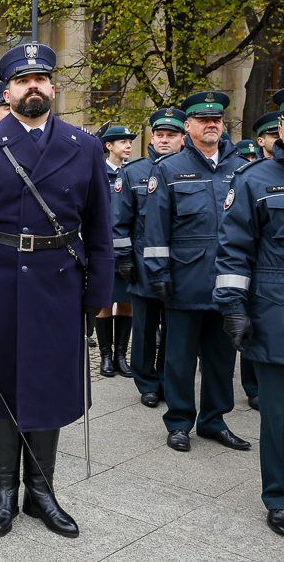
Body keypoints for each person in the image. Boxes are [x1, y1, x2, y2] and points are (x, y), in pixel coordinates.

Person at [0, 43, 113, 539]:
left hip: (59, 281)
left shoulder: (83, 145)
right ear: (7, 91)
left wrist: (96, 295)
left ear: (52, 88)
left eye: (40, 79)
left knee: (50, 386)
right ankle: (3, 494)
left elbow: (101, 229)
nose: (32, 87)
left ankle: (42, 493)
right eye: (22, 80)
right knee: (1, 390)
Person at [143, 91, 250, 453]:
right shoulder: (168, 169)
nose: (211, 125)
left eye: (216, 120)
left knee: (222, 359)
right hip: (185, 281)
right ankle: (179, 422)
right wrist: (158, 272)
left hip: (228, 283)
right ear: (188, 126)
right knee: (180, 359)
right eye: (203, 120)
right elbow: (156, 228)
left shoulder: (241, 169)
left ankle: (213, 421)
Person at [214, 120, 284, 536]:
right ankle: (279, 497)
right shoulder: (255, 179)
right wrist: (234, 306)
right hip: (277, 311)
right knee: (278, 415)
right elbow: (235, 249)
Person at [112, 109, 185, 407]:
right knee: (144, 326)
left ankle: (169, 379)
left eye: (171, 135)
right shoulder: (133, 172)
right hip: (143, 261)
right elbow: (119, 221)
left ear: (183, 137)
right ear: (152, 137)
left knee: (175, 327)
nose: (165, 140)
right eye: (160, 135)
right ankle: (147, 382)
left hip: (181, 263)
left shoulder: (190, 170)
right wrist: (124, 258)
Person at [98, 125, 137, 378]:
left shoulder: (133, 173)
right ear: (109, 146)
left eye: (130, 142)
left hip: (128, 249)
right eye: (123, 142)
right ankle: (105, 356)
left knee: (126, 304)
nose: (128, 146)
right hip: (103, 248)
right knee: (104, 303)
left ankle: (122, 356)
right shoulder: (98, 173)